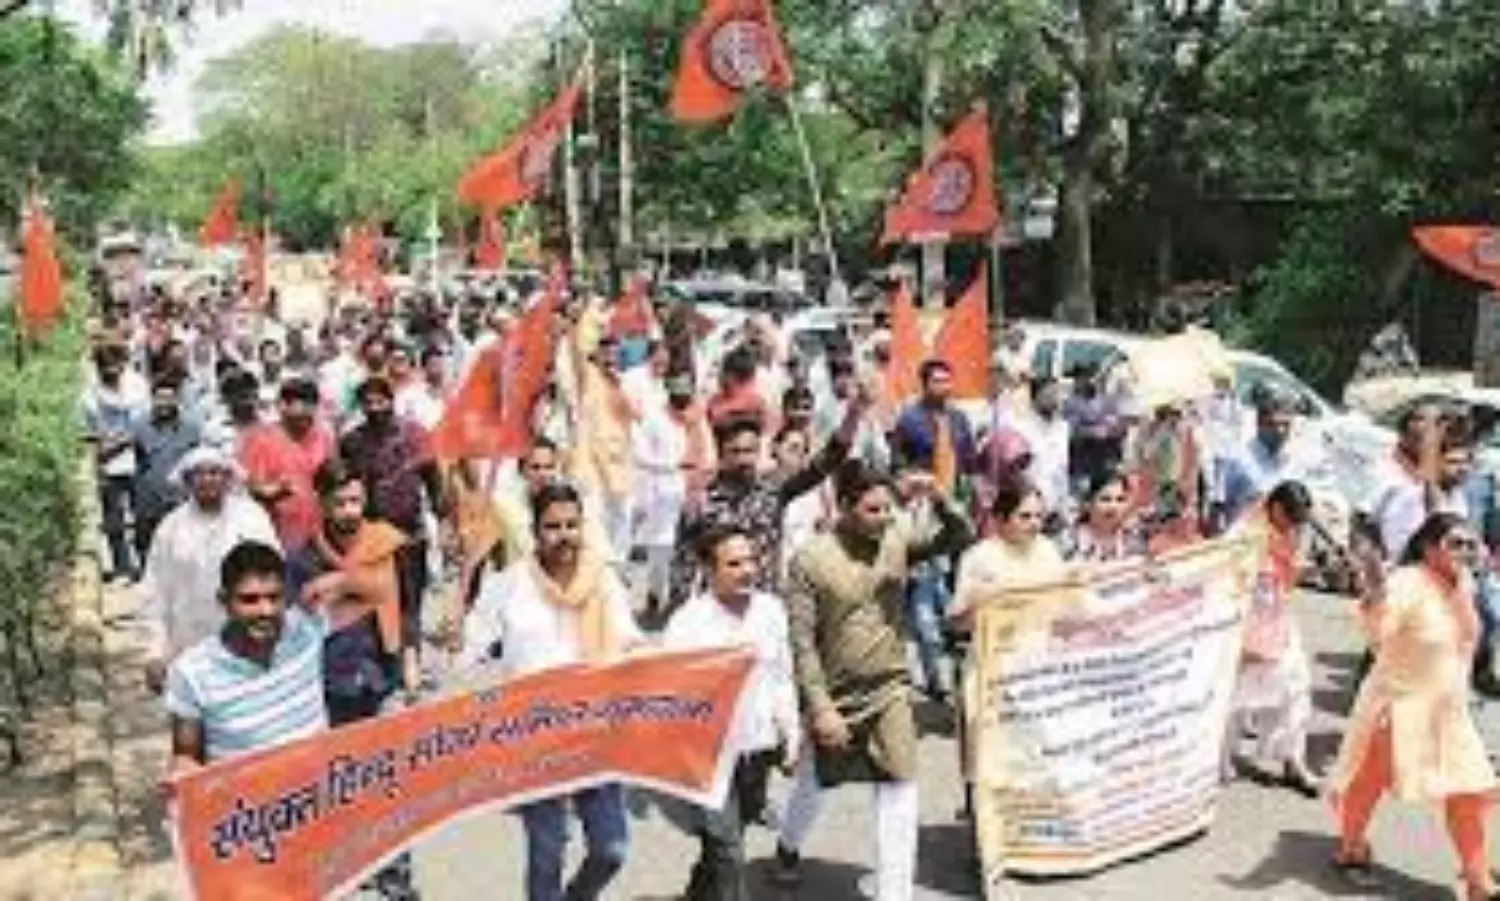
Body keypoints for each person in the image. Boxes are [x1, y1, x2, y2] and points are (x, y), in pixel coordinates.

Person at [775, 461, 971, 899]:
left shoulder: (897, 538)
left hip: (890, 687)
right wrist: (821, 708)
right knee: (815, 783)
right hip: (835, 695)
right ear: (844, 507)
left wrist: (940, 498)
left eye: (888, 508)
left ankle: (894, 893)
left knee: (900, 787)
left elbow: (960, 537)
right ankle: (788, 845)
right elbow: (801, 643)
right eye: (873, 510)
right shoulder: (811, 560)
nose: (884, 518)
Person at [457, 482, 642, 901]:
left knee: (612, 850)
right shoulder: (507, 586)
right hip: (534, 739)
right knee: (546, 855)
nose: (564, 535)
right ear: (535, 531)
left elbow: (630, 641)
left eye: (572, 525)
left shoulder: (604, 582)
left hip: (598, 731)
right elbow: (471, 656)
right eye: (553, 526)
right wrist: (458, 643)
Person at [1329, 512, 1499, 899]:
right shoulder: (1407, 583)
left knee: (1469, 792)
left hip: (1450, 714)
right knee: (1366, 782)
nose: (1466, 551)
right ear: (1428, 547)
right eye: (1456, 543)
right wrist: (1374, 594)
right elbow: (1377, 632)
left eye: (1471, 544)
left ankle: (1477, 879)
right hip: (1399, 709)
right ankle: (1350, 847)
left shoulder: (1465, 583)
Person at [284, 459, 418, 900]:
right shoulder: (302, 560)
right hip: (330, 686)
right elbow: (294, 630)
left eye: (356, 500)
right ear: (321, 503)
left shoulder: (388, 546)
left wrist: (411, 661)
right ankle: (352, 865)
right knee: (342, 783)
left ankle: (397, 871)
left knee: (391, 780)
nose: (348, 510)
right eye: (339, 501)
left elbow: (410, 604)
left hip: (383, 676)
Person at [162, 539, 384, 775]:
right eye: (249, 600)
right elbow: (186, 754)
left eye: (274, 597)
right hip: (248, 805)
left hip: (318, 794)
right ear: (224, 601)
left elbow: (379, 592)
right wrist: (181, 777)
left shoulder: (306, 629)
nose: (265, 611)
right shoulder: (193, 672)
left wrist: (340, 580)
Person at [661, 524, 800, 901]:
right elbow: (671, 695)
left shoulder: (770, 611)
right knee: (730, 850)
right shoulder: (686, 624)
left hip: (758, 749)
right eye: (734, 563)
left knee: (729, 835)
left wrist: (791, 732)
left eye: (751, 560)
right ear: (709, 571)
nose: (748, 570)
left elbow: (782, 676)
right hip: (708, 755)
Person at [669, 386, 869, 615]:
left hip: (764, 609)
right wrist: (682, 615)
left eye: (750, 451)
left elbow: (827, 460)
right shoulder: (701, 501)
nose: (744, 459)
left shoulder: (774, 488)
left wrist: (854, 413)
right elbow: (682, 565)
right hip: (716, 614)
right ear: (721, 453)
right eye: (735, 451)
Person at [139, 446, 279, 693]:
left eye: (215, 472)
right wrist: (154, 652)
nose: (208, 480)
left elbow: (276, 577)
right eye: (199, 474)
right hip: (189, 646)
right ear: (187, 481)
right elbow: (155, 592)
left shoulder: (252, 518)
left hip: (248, 643)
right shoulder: (171, 528)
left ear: (228, 478)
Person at [1222, 480, 1321, 796]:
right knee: (1234, 699)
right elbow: (1227, 578)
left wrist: (1304, 569)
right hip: (1244, 622)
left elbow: (1286, 572)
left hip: (1278, 619)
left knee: (1296, 689)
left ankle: (1293, 761)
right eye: (1292, 518)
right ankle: (1217, 762)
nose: (1296, 526)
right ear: (1276, 509)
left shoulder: (1289, 531)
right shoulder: (1243, 534)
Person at [240, 377, 337, 554]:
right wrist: (274, 492)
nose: (308, 411)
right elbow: (252, 488)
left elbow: (333, 477)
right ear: (282, 406)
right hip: (275, 531)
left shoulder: (324, 436)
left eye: (312, 405)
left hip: (320, 532)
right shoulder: (260, 439)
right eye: (301, 404)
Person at [83, 342, 149, 582]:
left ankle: (144, 563)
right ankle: (121, 565)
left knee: (142, 513)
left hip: (138, 458)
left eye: (115, 364)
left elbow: (142, 422)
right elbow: (86, 425)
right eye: (105, 365)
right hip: (107, 461)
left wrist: (119, 443)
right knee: (114, 516)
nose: (111, 370)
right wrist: (101, 446)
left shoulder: (137, 385)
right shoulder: (90, 391)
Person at [130, 375, 203, 560]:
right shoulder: (138, 425)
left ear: (177, 399)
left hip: (180, 499)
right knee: (149, 548)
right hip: (149, 499)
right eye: (159, 398)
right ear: (152, 399)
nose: (164, 403)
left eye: (168, 398)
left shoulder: (191, 427)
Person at [891, 359, 978, 504]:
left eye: (947, 381)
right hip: (923, 497)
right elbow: (898, 464)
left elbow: (970, 460)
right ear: (925, 385)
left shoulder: (959, 418)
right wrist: (915, 480)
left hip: (956, 496)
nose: (945, 386)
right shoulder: (909, 420)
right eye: (938, 382)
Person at [1060, 467, 1147, 563]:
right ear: (1088, 503)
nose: (1113, 506)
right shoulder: (1070, 537)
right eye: (1105, 499)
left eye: (1120, 500)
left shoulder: (1132, 536)